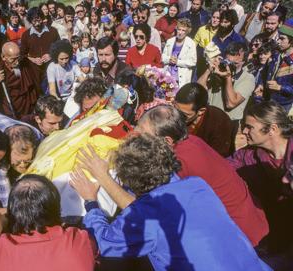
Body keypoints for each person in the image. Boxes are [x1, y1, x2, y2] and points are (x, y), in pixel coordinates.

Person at [70, 134, 271, 271]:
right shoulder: (197, 186)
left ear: (129, 180)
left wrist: (91, 202)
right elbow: (153, 215)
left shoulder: (145, 215)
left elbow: (106, 243)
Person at [75, 104, 269, 246]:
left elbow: (143, 213)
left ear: (167, 140)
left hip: (238, 238)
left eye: (142, 133)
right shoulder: (190, 140)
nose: (135, 135)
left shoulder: (177, 164)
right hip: (249, 222)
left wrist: (102, 177)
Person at [0, 174, 97, 271]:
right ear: (56, 208)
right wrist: (91, 201)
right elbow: (100, 241)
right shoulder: (77, 240)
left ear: (12, 211)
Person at [228, 101, 293, 253]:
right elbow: (220, 169)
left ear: (273, 129)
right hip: (274, 236)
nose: (244, 131)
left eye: (250, 127)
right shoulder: (246, 156)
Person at [198, 41, 255, 124]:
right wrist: (209, 70)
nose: (229, 66)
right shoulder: (218, 71)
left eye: (235, 63)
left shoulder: (248, 78)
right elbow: (198, 91)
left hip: (227, 123)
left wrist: (227, 77)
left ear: (244, 62)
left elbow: (231, 103)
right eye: (227, 62)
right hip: (208, 118)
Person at [174, 82, 233, 156]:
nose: (177, 117)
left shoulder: (219, 122)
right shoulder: (171, 114)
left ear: (201, 111)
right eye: (176, 111)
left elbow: (217, 157)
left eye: (184, 115)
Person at [0, 42, 38, 119]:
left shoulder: (24, 63)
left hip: (29, 108)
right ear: (3, 57)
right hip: (11, 110)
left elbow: (35, 84)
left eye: (18, 58)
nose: (17, 62)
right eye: (13, 59)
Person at [255, 19, 293, 111]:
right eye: (279, 37)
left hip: (283, 105)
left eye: (282, 38)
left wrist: (280, 87)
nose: (278, 41)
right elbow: (264, 72)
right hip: (268, 99)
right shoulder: (276, 54)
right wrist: (261, 85)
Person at [20, 7, 60, 95]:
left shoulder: (53, 31)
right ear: (30, 21)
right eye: (34, 21)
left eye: (39, 20)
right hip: (35, 72)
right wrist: (33, 59)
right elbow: (22, 55)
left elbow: (59, 48)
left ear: (42, 18)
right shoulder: (26, 35)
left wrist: (50, 55)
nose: (37, 23)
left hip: (52, 68)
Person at [162, 18, 197, 88]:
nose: (180, 32)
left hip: (181, 78)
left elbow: (193, 62)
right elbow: (162, 57)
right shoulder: (170, 41)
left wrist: (178, 62)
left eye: (183, 30)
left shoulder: (191, 43)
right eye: (179, 29)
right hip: (167, 76)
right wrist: (169, 59)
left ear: (187, 31)